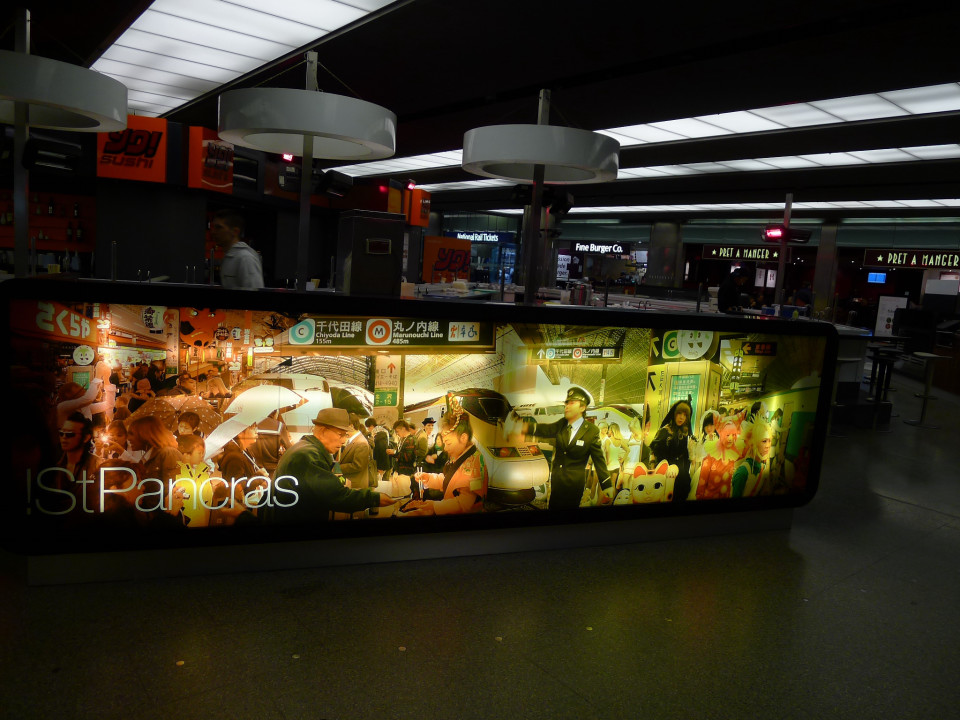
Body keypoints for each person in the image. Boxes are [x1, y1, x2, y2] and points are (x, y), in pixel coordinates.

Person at [259, 408, 395, 524]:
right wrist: (374, 498)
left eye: (346, 435)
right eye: (340, 434)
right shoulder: (308, 455)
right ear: (323, 431)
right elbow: (335, 496)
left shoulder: (304, 448)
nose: (343, 441)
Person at [521, 386, 612, 510]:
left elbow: (598, 459)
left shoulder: (591, 431)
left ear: (582, 408)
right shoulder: (562, 424)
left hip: (574, 485)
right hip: (557, 482)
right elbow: (545, 429)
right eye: (567, 403)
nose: (567, 406)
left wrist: (606, 484)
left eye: (572, 403)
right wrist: (523, 427)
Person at [403, 402, 487, 516]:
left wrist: (434, 506)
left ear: (463, 438)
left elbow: (464, 504)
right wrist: (429, 478)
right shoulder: (460, 456)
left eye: (448, 443)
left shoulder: (474, 463)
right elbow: (449, 480)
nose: (445, 448)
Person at [649, 398, 695, 503]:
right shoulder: (665, 431)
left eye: (685, 415)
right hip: (666, 472)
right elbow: (653, 451)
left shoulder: (685, 432)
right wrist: (654, 469)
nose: (682, 417)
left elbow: (686, 455)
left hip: (681, 475)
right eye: (679, 413)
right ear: (674, 413)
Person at [210, 209, 264, 290]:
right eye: (213, 227)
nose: (213, 232)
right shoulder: (229, 256)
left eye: (219, 227)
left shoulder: (245, 258)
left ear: (235, 231)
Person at [732, 416, 776, 497]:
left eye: (769, 441)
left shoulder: (763, 468)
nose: (768, 446)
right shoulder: (743, 472)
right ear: (752, 443)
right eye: (764, 441)